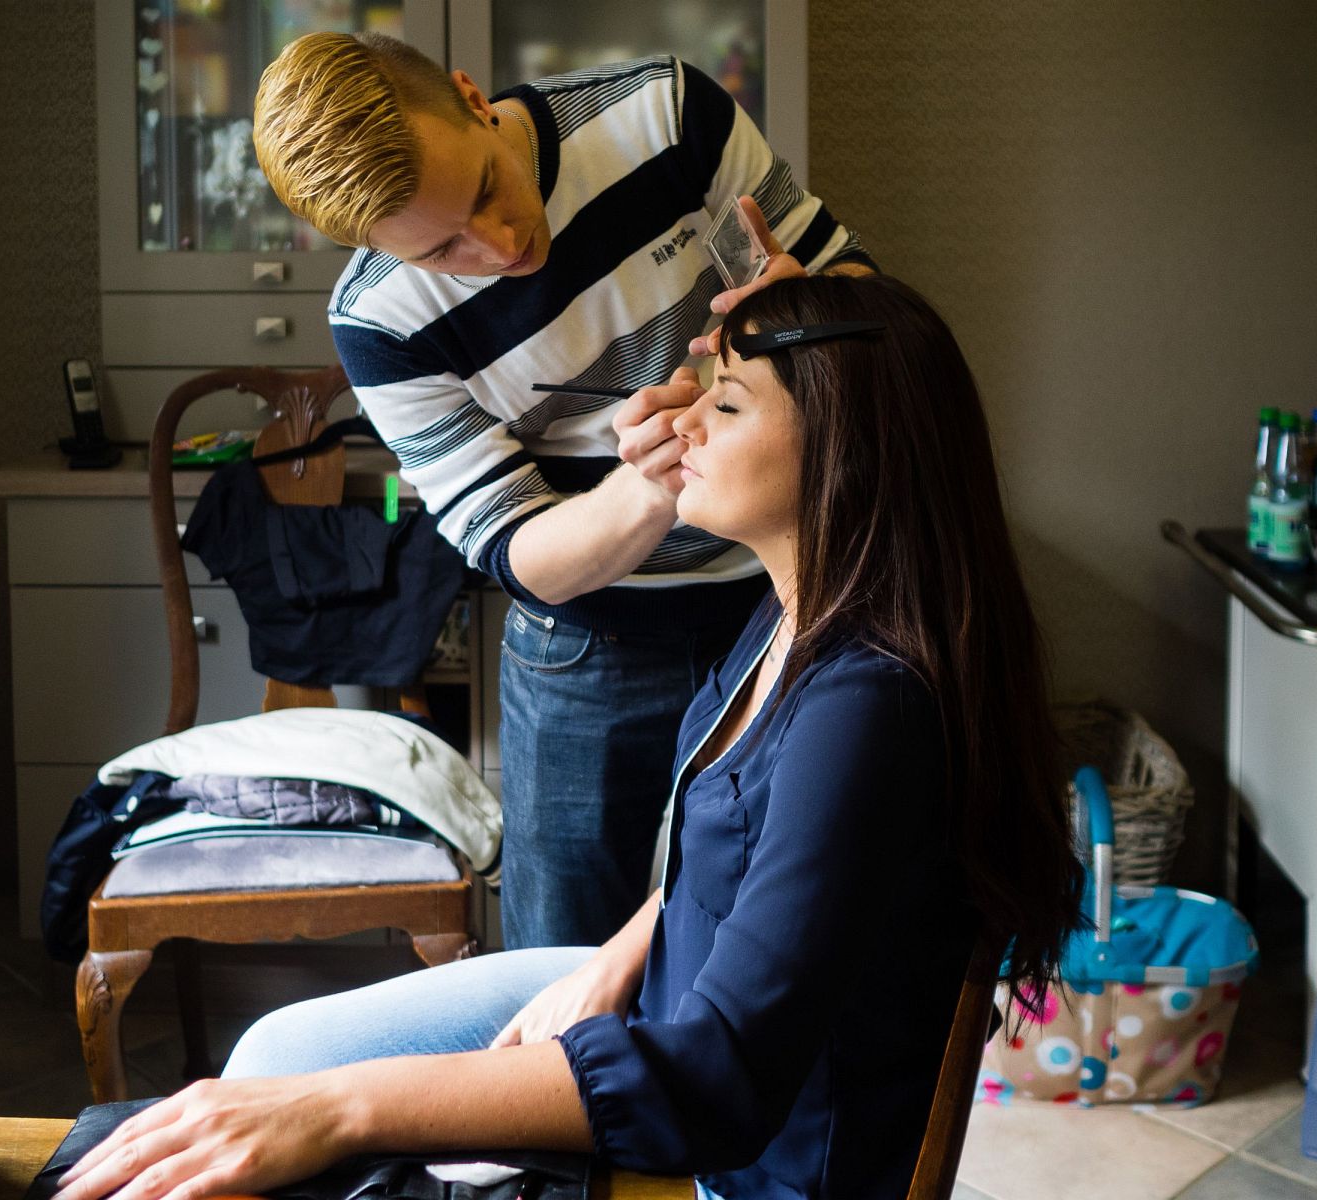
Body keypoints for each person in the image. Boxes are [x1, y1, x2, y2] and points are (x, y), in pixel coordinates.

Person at [49, 274, 1088, 1200]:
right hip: (660, 1004)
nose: (680, 425)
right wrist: (616, 960)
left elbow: (718, 1079)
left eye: (725, 402)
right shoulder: (787, 612)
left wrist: (341, 1111)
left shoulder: (866, 712)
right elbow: (747, 875)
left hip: (733, 1163)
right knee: (280, 1050)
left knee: (299, 1105)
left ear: (849, 450)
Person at [250, 32, 878, 948]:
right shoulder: (378, 318)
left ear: (470, 97)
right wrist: (655, 482)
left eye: (484, 193)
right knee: (563, 968)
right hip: (591, 648)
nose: (501, 247)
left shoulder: (660, 114)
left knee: (796, 933)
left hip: (789, 601)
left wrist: (817, 313)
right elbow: (523, 556)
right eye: (443, 251)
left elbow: (856, 288)